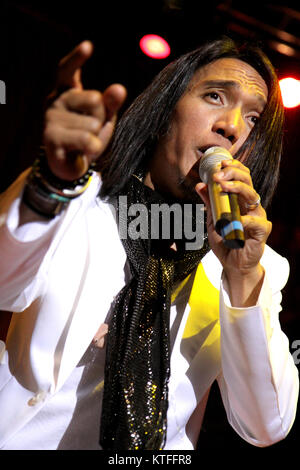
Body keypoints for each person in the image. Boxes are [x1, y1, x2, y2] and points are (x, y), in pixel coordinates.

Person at [0, 37, 298, 451]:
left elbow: (266, 424)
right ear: (164, 112)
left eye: (252, 118)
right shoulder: (80, 210)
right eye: (215, 96)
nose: (231, 125)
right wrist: (51, 182)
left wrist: (243, 279)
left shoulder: (254, 268)